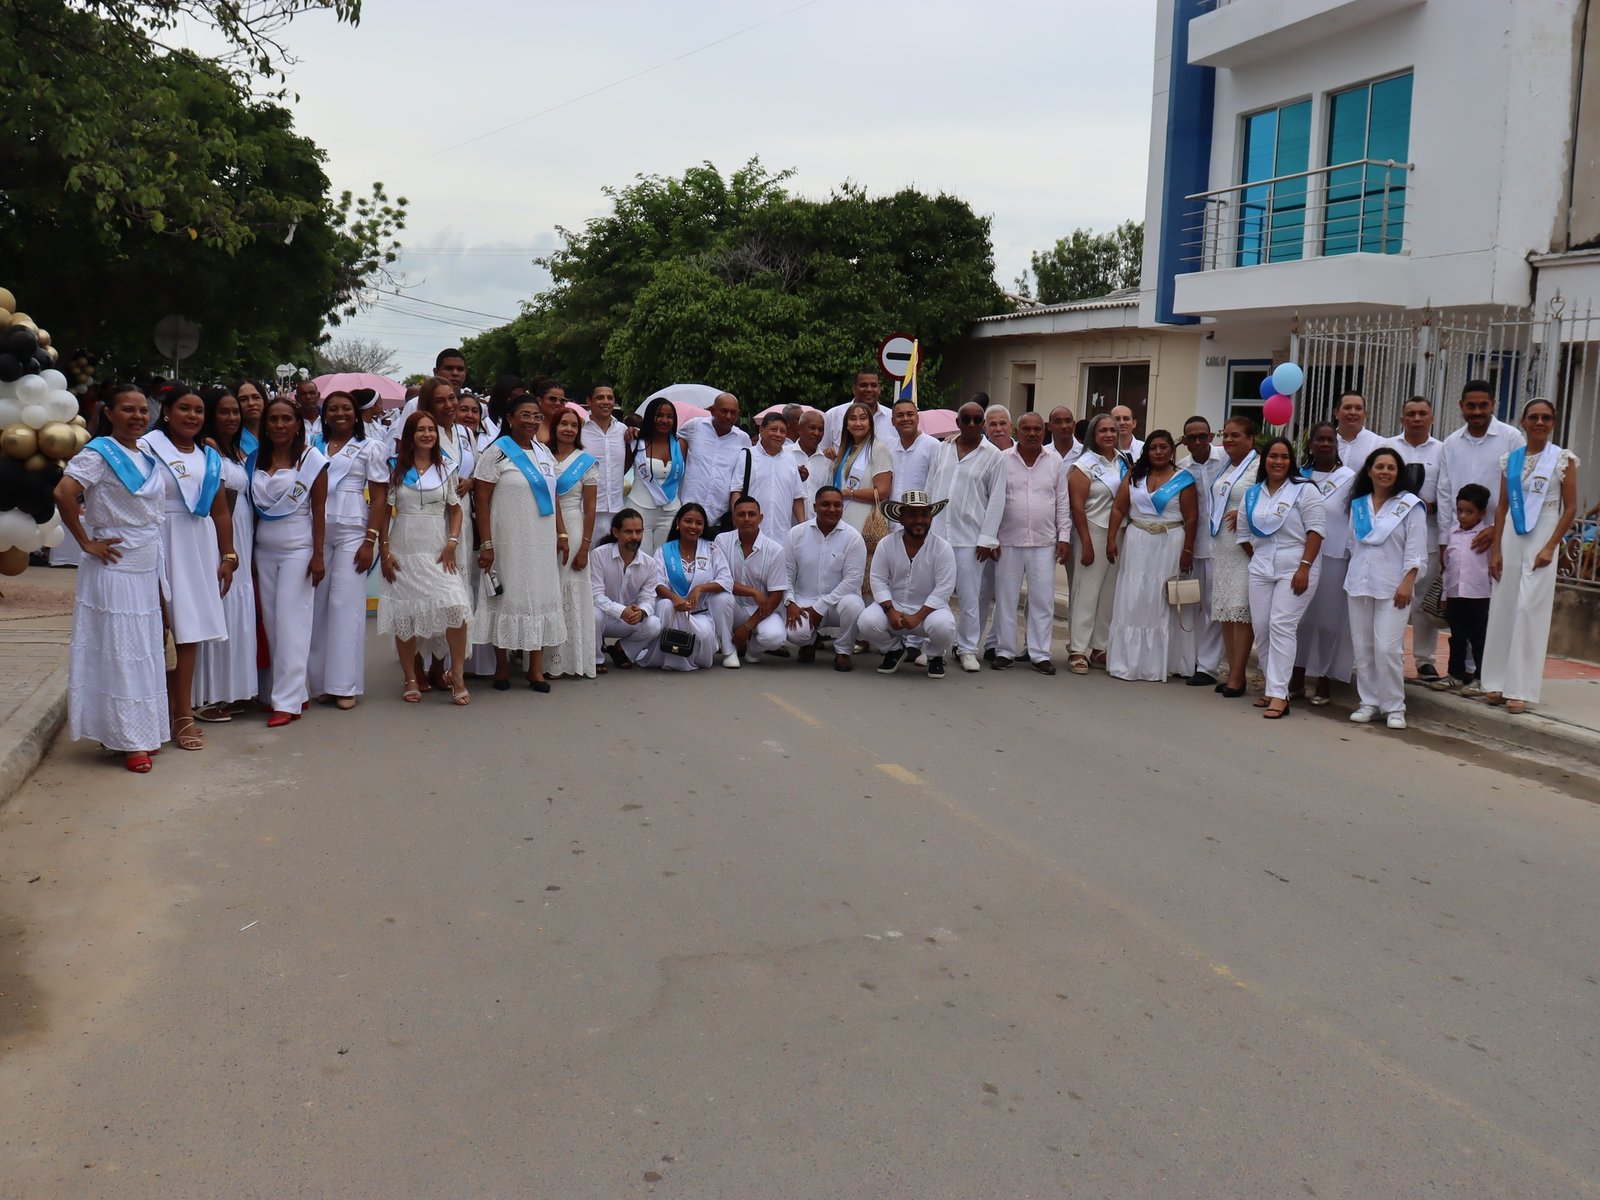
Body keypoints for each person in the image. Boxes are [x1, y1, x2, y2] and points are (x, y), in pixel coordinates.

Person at [54, 385, 170, 771]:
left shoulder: (146, 453)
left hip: (144, 562)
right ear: (110, 413)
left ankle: (138, 730)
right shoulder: (98, 453)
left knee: (143, 646)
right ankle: (129, 740)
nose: (137, 417)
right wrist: (86, 541)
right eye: (128, 410)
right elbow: (64, 492)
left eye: (142, 411)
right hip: (114, 564)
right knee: (120, 649)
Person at [141, 383, 236, 751]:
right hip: (155, 539)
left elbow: (221, 508)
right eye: (184, 408)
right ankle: (147, 713)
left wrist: (228, 555)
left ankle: (182, 714)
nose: (193, 415)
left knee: (189, 631)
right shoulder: (148, 447)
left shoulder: (208, 456)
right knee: (153, 627)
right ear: (166, 412)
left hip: (197, 542)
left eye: (198, 410)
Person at [1481, 398, 1580, 713]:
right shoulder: (1510, 459)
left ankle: (1520, 688)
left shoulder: (1563, 459)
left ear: (1553, 423)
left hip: (1544, 532)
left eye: (1546, 418)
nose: (1540, 423)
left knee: (1528, 610)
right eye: (1534, 417)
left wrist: (1551, 546)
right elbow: (1501, 506)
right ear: (1523, 421)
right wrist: (1496, 549)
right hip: (1511, 534)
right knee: (1504, 606)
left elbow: (1572, 507)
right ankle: (1496, 682)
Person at [370, 411, 475, 705]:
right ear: (410, 435)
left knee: (456, 605)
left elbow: (455, 509)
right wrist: (384, 550)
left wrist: (452, 541)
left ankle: (457, 674)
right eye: (421, 430)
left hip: (438, 550)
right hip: (403, 550)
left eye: (431, 429)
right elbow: (383, 513)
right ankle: (411, 677)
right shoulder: (395, 468)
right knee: (406, 614)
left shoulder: (446, 469)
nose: (427, 434)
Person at [471, 394, 568, 693]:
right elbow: (482, 500)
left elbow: (554, 496)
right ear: (510, 418)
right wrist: (486, 543)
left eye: (536, 416)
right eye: (524, 415)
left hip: (541, 538)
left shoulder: (544, 453)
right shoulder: (496, 453)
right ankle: (501, 668)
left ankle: (535, 669)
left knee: (538, 597)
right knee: (508, 597)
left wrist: (561, 534)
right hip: (508, 539)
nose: (530, 421)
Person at [251, 395, 328, 726]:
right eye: (273, 419)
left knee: (292, 622)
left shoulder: (311, 460)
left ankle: (287, 703)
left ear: (298, 424)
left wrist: (318, 554)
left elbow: (319, 511)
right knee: (271, 623)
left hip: (298, 549)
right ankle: (295, 692)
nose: (280, 425)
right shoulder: (255, 459)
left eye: (286, 419)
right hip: (263, 549)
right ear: (265, 425)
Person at [1238, 437, 1325, 718]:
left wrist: (1304, 567)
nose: (1278, 461)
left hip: (1297, 567)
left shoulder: (1304, 491)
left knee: (1281, 625)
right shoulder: (1253, 494)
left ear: (1292, 461)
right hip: (1261, 569)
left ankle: (1279, 694)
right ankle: (1271, 687)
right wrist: (1261, 560)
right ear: (1264, 460)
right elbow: (1243, 534)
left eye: (1284, 457)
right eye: (1272, 456)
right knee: (1262, 628)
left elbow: (1316, 531)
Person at [1344, 447, 1428, 729]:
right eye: (1379, 466)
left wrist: (1408, 582)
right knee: (1364, 647)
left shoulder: (1411, 506)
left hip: (1394, 587)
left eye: (1391, 467)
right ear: (1369, 470)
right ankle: (1369, 702)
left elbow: (1416, 550)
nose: (1384, 472)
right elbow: (1353, 545)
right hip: (1359, 583)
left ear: (1398, 472)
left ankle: (1394, 707)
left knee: (1387, 649)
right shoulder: (1358, 505)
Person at [1105, 430, 1197, 682]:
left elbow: (1191, 518)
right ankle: (1130, 661)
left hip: (1170, 543)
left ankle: (1164, 661)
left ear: (1171, 450)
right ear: (1147, 451)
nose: (1158, 452)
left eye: (1163, 447)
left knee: (1162, 600)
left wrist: (1188, 550)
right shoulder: (1135, 476)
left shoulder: (1184, 479)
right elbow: (1118, 508)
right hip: (1137, 543)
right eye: (1153, 447)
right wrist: (1111, 538)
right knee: (1135, 599)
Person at [194, 387, 258, 721]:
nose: (232, 417)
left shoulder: (235, 449)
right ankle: (207, 694)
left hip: (243, 527)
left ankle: (230, 690)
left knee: (238, 605)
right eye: (224, 412)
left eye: (235, 411)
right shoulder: (208, 448)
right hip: (222, 530)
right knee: (221, 602)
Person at [926, 401, 1006, 672]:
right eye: (966, 419)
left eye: (977, 419)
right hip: (937, 534)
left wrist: (987, 539)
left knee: (971, 597)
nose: (972, 424)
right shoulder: (942, 448)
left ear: (982, 423)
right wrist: (924, 526)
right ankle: (933, 646)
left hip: (970, 539)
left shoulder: (994, 455)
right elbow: (930, 486)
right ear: (958, 422)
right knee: (934, 594)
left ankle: (968, 648)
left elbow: (996, 500)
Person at [992, 412, 1070, 674]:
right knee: (1006, 598)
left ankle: (1039, 653)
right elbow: (994, 502)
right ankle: (1004, 650)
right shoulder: (1003, 460)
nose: (1032, 433)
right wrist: (990, 537)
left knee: (1042, 600)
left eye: (1037, 429)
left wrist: (1064, 537)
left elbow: (1062, 502)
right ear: (1018, 430)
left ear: (1044, 431)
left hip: (1044, 542)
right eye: (1027, 429)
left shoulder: (1055, 460)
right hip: (1008, 541)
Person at [1435, 379, 1524, 596]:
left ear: (1493, 404)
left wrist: (1496, 528)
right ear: (1461, 405)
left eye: (1483, 405)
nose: (1477, 411)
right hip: (1460, 539)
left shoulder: (1512, 439)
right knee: (1460, 607)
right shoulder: (1451, 443)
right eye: (1471, 406)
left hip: (1500, 537)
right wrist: (1444, 540)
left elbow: (1520, 489)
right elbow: (1445, 493)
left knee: (1496, 606)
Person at [1290, 422, 1357, 706]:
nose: (1326, 444)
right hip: (1300, 555)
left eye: (1330, 440)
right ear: (1310, 444)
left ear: (1337, 445)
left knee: (1329, 621)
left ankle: (1324, 678)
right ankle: (1296, 675)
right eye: (1320, 439)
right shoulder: (1297, 476)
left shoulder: (1350, 478)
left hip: (1334, 555)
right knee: (1300, 619)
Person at [857, 491, 957, 678]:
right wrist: (890, 610)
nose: (919, 520)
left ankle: (934, 656)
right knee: (866, 622)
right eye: (912, 515)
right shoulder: (886, 544)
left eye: (924, 515)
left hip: (929, 611)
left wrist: (918, 616)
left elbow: (944, 587)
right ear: (901, 519)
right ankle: (895, 650)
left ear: (930, 518)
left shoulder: (942, 548)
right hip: (896, 609)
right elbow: (878, 579)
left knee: (944, 626)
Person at [1384, 396, 1445, 679]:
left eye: (1423, 413)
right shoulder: (1387, 447)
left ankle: (1424, 660)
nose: (1417, 418)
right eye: (1411, 413)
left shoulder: (1443, 451)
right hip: (1390, 537)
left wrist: (1430, 506)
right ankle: (1388, 655)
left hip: (1429, 535)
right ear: (1402, 419)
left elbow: (1448, 491)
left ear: (1431, 418)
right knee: (1389, 599)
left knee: (1420, 602)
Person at [638, 503, 731, 671]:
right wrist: (674, 598)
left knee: (703, 635)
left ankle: (693, 657)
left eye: (699, 523)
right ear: (678, 523)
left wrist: (700, 589)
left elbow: (726, 580)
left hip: (699, 612)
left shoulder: (711, 549)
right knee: (665, 605)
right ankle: (664, 657)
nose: (693, 527)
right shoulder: (664, 550)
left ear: (704, 527)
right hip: (672, 610)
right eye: (688, 521)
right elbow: (657, 582)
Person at [1066, 413, 1125, 674]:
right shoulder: (1084, 465)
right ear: (1093, 434)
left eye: (1113, 430)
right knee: (1086, 592)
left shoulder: (1125, 461)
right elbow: (1077, 507)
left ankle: (1100, 646)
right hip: (1093, 531)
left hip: (1120, 533)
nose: (1109, 434)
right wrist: (1086, 543)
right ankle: (1078, 648)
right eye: (1103, 430)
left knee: (1109, 593)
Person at [784, 486, 868, 671]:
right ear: (814, 507)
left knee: (854, 605)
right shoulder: (796, 534)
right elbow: (787, 575)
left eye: (837, 505)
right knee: (795, 633)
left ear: (842, 507)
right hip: (806, 599)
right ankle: (809, 642)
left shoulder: (853, 538)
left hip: (840, 603)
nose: (832, 509)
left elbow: (853, 581)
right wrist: (790, 602)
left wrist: (820, 607)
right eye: (825, 505)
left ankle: (843, 651)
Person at [545, 408, 599, 679]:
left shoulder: (586, 461)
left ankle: (571, 659)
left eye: (573, 425)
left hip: (575, 526)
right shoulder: (540, 454)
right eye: (563, 424)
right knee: (548, 589)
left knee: (571, 591)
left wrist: (585, 546)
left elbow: (590, 508)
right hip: (543, 526)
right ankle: (545, 660)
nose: (568, 429)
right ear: (553, 426)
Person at [1207, 415, 1259, 697]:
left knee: (1241, 612)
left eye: (1236, 435)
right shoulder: (1228, 467)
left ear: (1251, 439)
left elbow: (1271, 498)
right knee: (1227, 612)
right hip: (1223, 546)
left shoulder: (1259, 466)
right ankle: (1231, 672)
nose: (1228, 440)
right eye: (1226, 435)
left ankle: (1239, 677)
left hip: (1245, 546)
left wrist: (1245, 513)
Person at [713, 495, 791, 666]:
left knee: (775, 637)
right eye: (741, 515)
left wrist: (746, 628)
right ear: (734, 519)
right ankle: (729, 650)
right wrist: (753, 591)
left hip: (762, 610)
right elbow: (721, 581)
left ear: (760, 518)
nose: (747, 519)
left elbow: (776, 595)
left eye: (752, 514)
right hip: (731, 607)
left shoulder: (775, 549)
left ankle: (753, 650)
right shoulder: (722, 541)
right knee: (719, 598)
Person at [1176, 416, 1225, 687]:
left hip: (1223, 548)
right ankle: (1189, 659)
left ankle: (1208, 666)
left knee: (1215, 607)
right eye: (1191, 437)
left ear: (1211, 436)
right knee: (1192, 605)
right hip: (1193, 546)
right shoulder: (1182, 469)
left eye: (1202, 436)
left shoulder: (1228, 460)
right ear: (1184, 441)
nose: (1197, 442)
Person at [1436, 484, 1494, 695]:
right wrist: (1445, 594)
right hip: (1455, 594)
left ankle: (1481, 678)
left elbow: (1492, 567)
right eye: (1459, 510)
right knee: (1457, 636)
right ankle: (1455, 675)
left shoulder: (1487, 537)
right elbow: (1447, 567)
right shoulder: (1452, 534)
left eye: (1469, 511)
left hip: (1479, 595)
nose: (1463, 516)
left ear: (1482, 513)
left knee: (1479, 638)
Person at [591, 509, 663, 671]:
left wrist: (642, 612)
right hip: (603, 617)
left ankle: (622, 650)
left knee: (654, 624)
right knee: (594, 614)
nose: (635, 537)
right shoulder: (598, 555)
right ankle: (595, 659)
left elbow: (648, 598)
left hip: (628, 619)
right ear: (616, 532)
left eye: (638, 531)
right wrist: (621, 610)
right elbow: (595, 596)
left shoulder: (649, 563)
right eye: (629, 531)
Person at [679, 392, 751, 530]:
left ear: (738, 414)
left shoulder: (743, 439)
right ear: (712, 410)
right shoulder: (694, 427)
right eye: (724, 411)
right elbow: (670, 443)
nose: (728, 416)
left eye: (733, 412)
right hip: (687, 512)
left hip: (718, 519)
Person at [728, 412, 805, 538]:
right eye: (774, 429)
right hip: (751, 534)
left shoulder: (790, 460)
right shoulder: (747, 456)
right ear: (762, 430)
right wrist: (737, 523)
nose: (778, 434)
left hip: (782, 535)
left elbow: (798, 497)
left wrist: (803, 527)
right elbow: (736, 491)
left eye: (782, 431)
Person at [630, 396, 686, 553]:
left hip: (671, 511)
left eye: (669, 417)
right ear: (650, 417)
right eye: (659, 415)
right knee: (641, 557)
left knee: (665, 559)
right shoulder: (636, 442)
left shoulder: (680, 444)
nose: (664, 420)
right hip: (640, 509)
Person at [831, 401, 893, 537]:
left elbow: (882, 492)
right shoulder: (843, 452)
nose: (858, 423)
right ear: (846, 425)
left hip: (865, 523)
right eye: (853, 419)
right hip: (841, 520)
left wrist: (849, 493)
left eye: (863, 418)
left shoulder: (878, 449)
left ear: (870, 424)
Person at [582, 381, 629, 534]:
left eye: (610, 398)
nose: (606, 402)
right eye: (600, 397)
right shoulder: (580, 430)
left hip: (616, 509)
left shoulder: (623, 431)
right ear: (589, 401)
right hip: (586, 510)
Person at [822, 370, 894, 452]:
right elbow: (821, 450)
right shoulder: (833, 415)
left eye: (874, 385)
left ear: (879, 389)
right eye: (864, 385)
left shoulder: (892, 417)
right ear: (854, 389)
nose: (869, 389)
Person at [888, 397, 939, 500]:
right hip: (892, 513)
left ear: (917, 418)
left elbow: (936, 485)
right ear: (893, 421)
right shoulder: (889, 447)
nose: (905, 418)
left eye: (910, 414)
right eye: (900, 415)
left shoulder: (933, 446)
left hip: (920, 513)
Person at [793, 410, 831, 516]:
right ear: (799, 429)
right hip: (789, 523)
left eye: (821, 429)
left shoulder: (827, 461)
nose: (817, 433)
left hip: (817, 524)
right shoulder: (785, 455)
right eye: (812, 428)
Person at [1335, 390, 1384, 471]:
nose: (1353, 412)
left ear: (1365, 414)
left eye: (1358, 408)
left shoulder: (1378, 444)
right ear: (1336, 413)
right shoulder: (1325, 442)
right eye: (1347, 408)